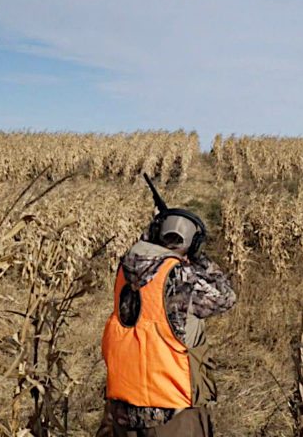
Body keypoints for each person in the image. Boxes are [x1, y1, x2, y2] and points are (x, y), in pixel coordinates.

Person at [99, 177, 236, 436]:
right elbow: (226, 297)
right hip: (169, 410)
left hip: (122, 407)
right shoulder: (180, 277)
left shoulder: (125, 268)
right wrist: (199, 259)